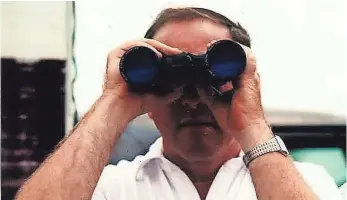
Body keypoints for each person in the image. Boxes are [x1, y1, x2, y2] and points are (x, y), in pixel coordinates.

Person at [15, 7, 342, 200]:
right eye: (171, 80)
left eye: (211, 79)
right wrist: (114, 100)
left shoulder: (305, 183)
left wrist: (252, 124)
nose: (193, 100)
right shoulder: (111, 188)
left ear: (244, 81)